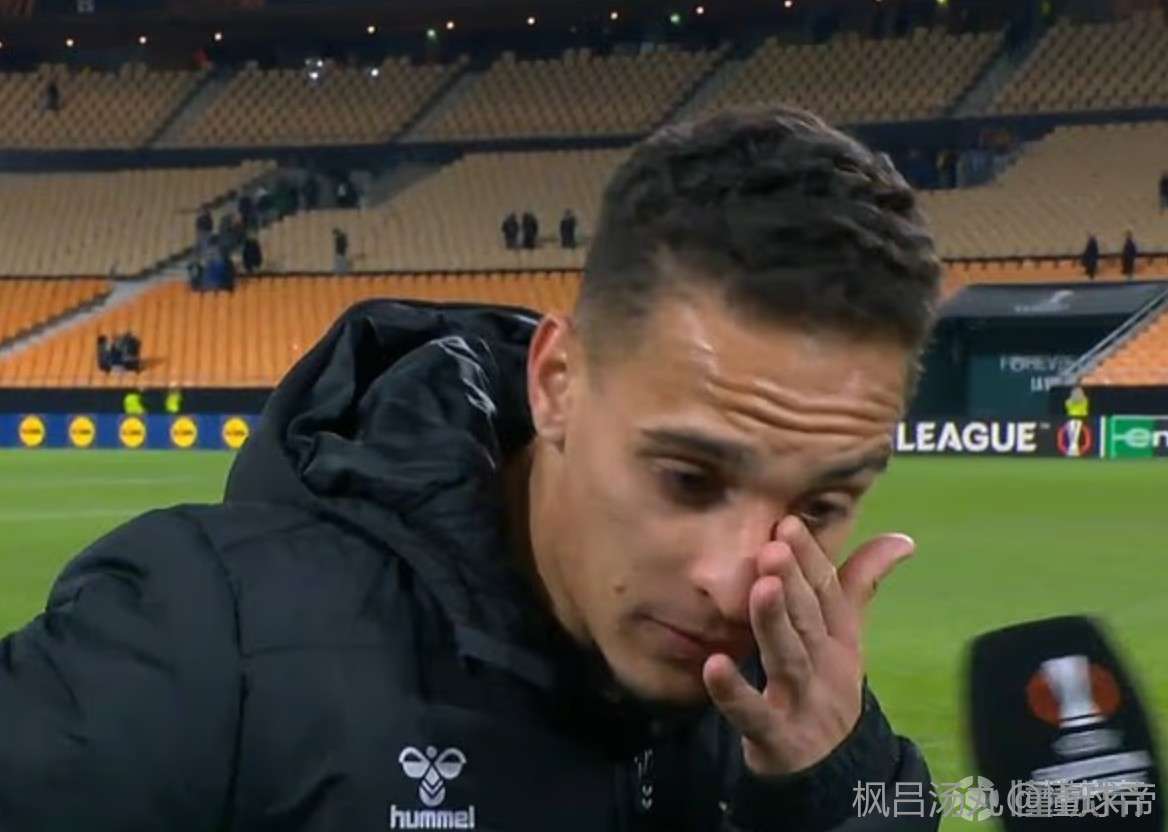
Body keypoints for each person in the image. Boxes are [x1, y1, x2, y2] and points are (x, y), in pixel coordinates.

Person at [0, 105, 940, 831]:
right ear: (557, 382)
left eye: (821, 504)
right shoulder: (201, 642)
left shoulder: (797, 710)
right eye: (688, 479)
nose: (739, 585)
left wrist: (828, 790)